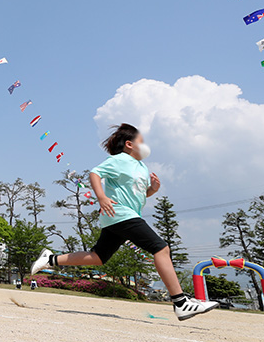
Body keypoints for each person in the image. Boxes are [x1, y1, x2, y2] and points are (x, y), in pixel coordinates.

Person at [30, 123, 219, 321]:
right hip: (120, 213)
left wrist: (152, 190)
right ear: (129, 144)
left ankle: (49, 259)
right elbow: (94, 173)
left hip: (121, 216)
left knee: (98, 257)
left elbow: (137, 195)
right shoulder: (119, 160)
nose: (144, 145)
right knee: (161, 249)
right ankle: (181, 303)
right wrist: (102, 197)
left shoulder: (143, 168)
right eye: (141, 141)